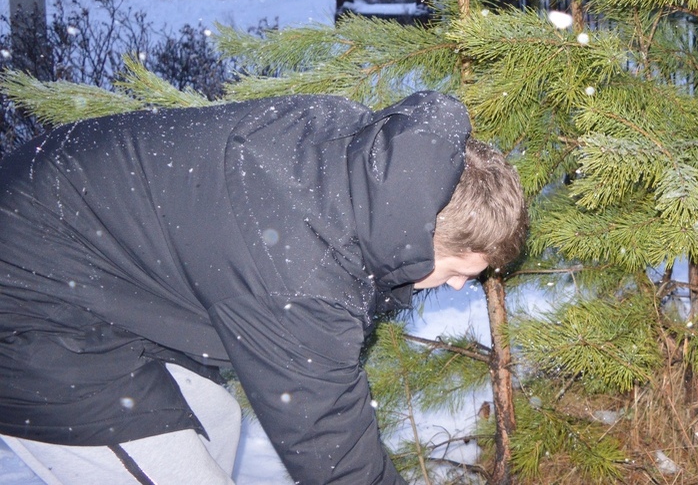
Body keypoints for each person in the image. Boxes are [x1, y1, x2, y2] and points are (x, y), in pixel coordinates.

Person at [0, 90, 527, 484]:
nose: (458, 287)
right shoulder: (305, 272)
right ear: (424, 233)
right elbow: (328, 443)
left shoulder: (360, 156)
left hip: (87, 259)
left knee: (218, 419)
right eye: (461, 270)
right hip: (33, 315)